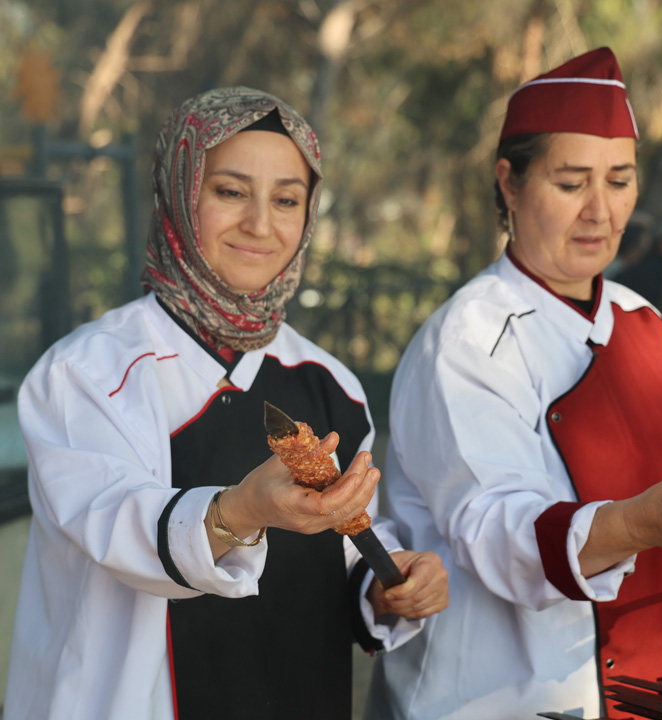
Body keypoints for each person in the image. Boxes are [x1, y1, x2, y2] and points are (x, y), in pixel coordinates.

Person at [5, 87, 448, 720]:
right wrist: (242, 509)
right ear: (180, 195)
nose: (261, 225)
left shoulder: (330, 384)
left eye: (287, 200)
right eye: (231, 191)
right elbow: (115, 526)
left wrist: (387, 584)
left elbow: (347, 552)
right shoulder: (87, 372)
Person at [363, 48, 662, 720]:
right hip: (495, 703)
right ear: (510, 182)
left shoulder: (647, 327)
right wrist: (642, 522)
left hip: (658, 695)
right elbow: (498, 533)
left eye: (619, 180)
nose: (600, 211)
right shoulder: (469, 338)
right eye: (570, 182)